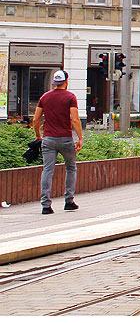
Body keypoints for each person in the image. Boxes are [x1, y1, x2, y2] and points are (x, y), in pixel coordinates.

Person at [32, 70, 82, 215]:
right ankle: (69, 201)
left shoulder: (45, 97)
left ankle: (46, 205)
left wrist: (38, 135)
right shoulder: (70, 97)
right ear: (66, 81)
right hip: (66, 139)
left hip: (48, 139)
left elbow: (36, 119)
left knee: (47, 170)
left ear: (55, 82)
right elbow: (75, 119)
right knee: (71, 168)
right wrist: (80, 138)